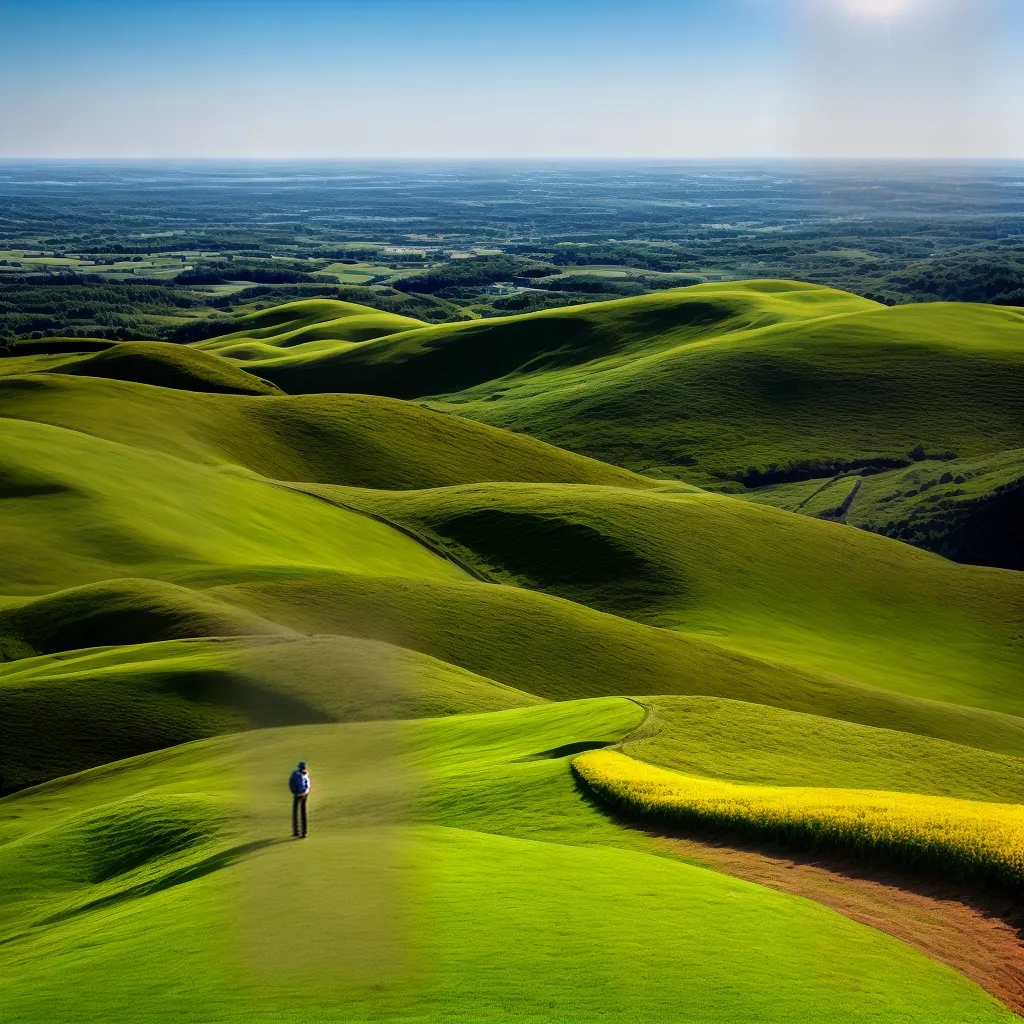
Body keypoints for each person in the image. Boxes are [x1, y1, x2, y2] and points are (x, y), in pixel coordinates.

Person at [288, 760, 310, 838]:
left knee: (295, 812)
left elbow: (291, 784)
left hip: (297, 794)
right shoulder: (305, 774)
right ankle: (303, 832)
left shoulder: (295, 774)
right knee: (302, 812)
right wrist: (305, 792)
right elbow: (308, 784)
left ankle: (296, 831)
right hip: (304, 794)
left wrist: (295, 792)